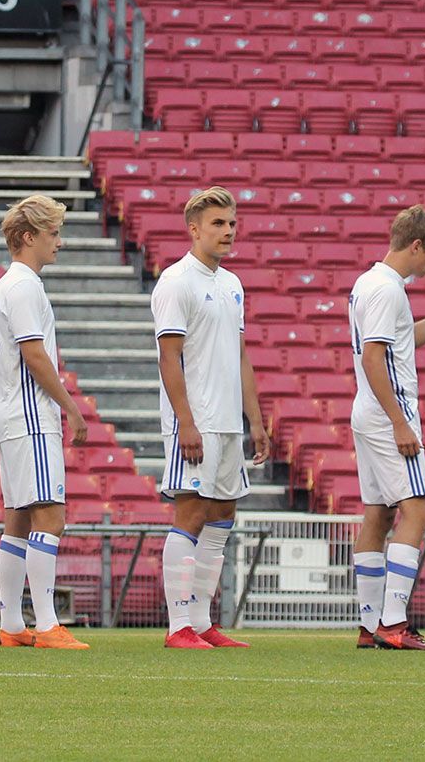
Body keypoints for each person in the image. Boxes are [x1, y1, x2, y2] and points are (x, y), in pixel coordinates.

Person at [153, 187, 271, 649]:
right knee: (192, 511)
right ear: (194, 229)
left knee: (223, 513)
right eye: (218, 223)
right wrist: (185, 420)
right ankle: (178, 626)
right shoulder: (176, 281)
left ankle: (201, 622)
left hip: (228, 421)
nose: (227, 231)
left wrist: (255, 420)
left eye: (232, 223)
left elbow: (240, 354)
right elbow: (169, 356)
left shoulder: (232, 284)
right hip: (196, 419)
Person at [350, 205, 425, 652]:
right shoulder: (386, 290)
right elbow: (374, 357)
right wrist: (400, 423)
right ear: (415, 245)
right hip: (388, 413)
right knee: (418, 511)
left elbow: (402, 341)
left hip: (367, 410)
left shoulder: (372, 283)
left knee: (378, 515)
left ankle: (369, 625)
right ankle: (393, 623)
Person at [0, 194, 90, 650]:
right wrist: (70, 406)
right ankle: (47, 623)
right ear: (28, 237)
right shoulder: (25, 286)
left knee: (18, 518)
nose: (59, 243)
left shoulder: (5, 285)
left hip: (7, 414)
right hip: (29, 415)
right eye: (52, 233)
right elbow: (35, 354)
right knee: (50, 515)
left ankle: (12, 625)